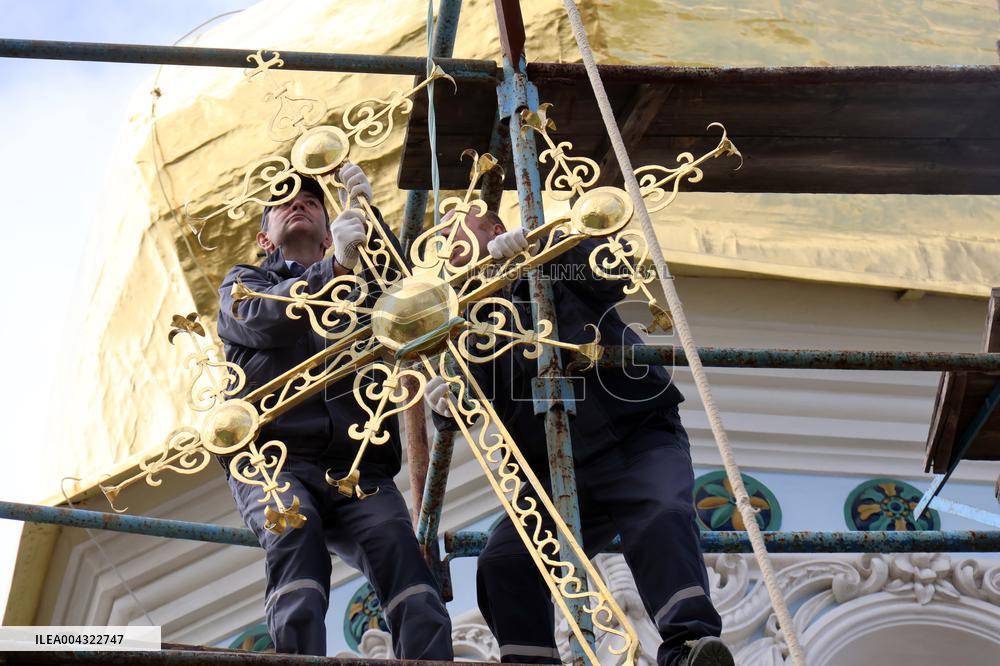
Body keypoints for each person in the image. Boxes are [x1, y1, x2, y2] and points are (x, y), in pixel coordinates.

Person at [425, 210, 733, 666]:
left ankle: (687, 647)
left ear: (493, 230)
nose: (446, 241)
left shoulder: (553, 258)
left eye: (456, 226)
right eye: (438, 238)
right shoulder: (465, 323)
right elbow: (466, 404)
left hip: (634, 435)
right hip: (554, 470)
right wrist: (443, 404)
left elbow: (611, 274)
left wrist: (545, 250)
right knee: (505, 561)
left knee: (661, 512)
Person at [216, 164, 453, 659]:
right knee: (293, 527)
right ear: (265, 237)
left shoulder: (359, 287)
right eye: (283, 202)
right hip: (273, 459)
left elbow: (405, 298)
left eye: (311, 201)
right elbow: (261, 319)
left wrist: (369, 219)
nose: (298, 203)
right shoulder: (243, 284)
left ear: (329, 232)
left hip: (358, 461)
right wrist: (337, 270)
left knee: (400, 552)